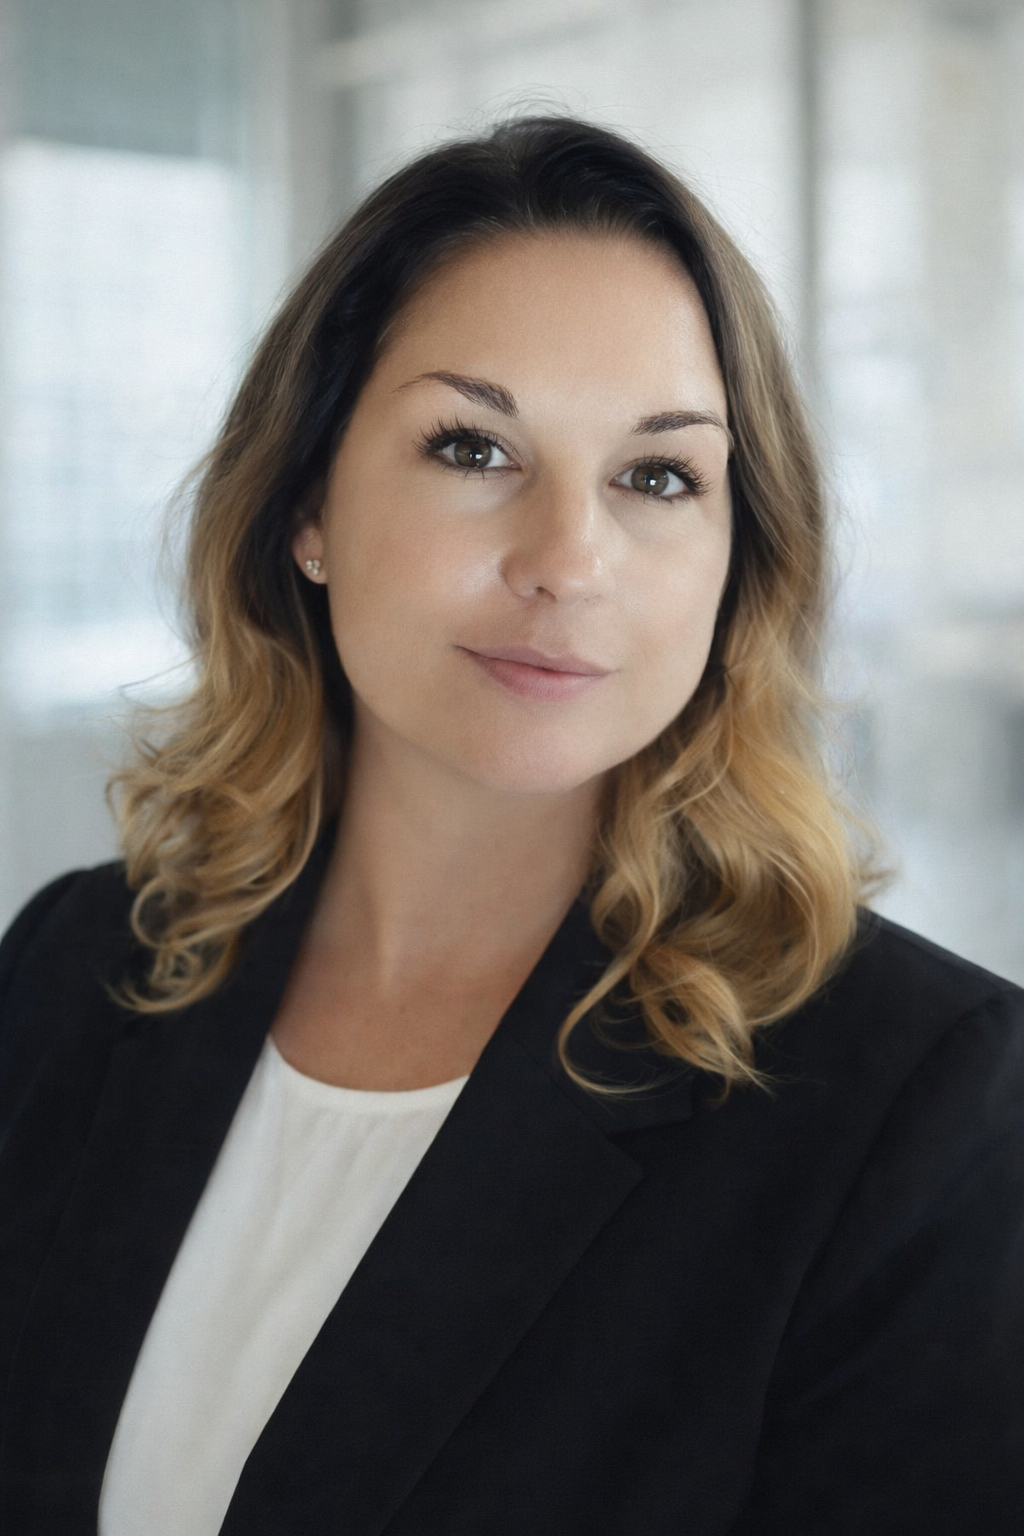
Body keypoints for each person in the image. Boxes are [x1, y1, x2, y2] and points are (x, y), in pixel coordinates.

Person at [1, 112, 1021, 1536]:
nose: (566, 561)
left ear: (738, 562)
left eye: (658, 476)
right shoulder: (71, 967)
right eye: (474, 448)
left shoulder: (927, 1100)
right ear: (307, 502)